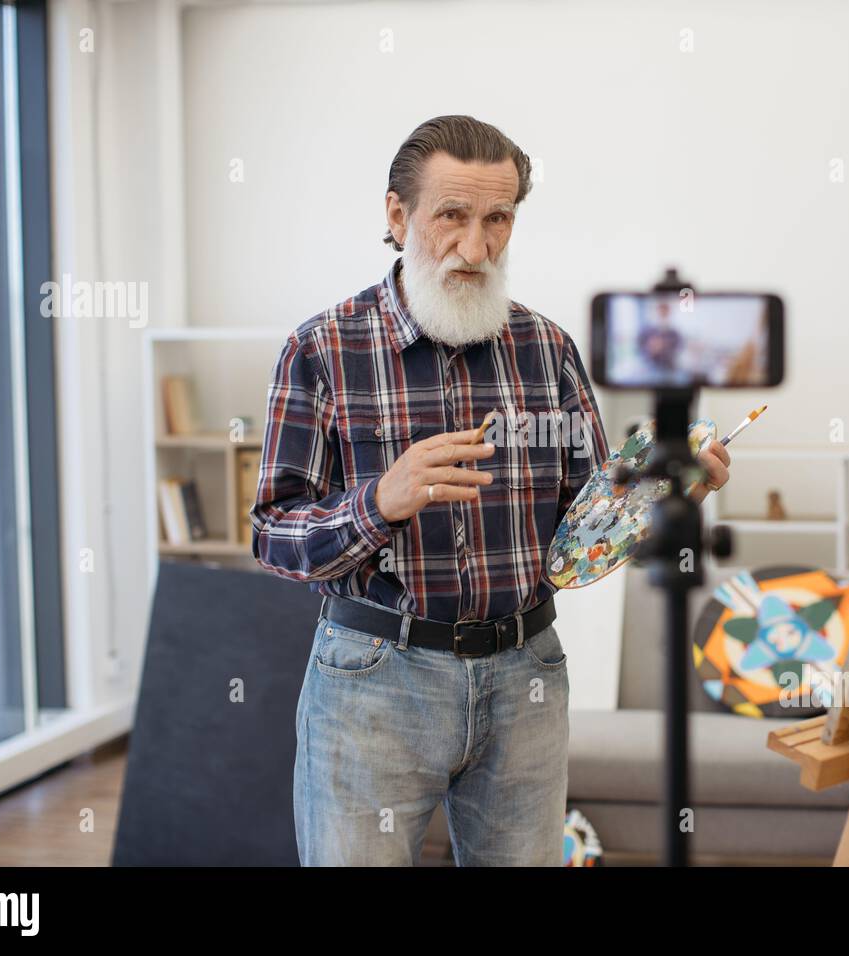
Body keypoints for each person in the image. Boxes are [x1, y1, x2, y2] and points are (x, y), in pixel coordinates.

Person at [250, 115, 731, 866]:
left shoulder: (548, 349)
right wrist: (378, 502)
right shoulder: (321, 349)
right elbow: (272, 536)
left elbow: (581, 535)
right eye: (452, 216)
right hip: (373, 679)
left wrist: (662, 497)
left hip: (526, 675)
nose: (476, 248)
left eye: (497, 218)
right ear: (398, 216)